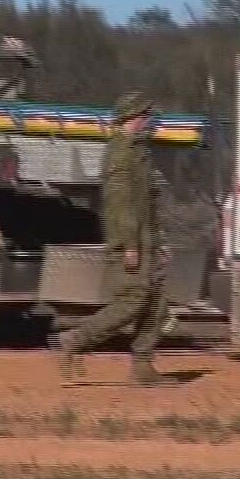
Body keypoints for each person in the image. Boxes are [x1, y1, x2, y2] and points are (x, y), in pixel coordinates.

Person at [56, 92, 168, 387]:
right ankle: (74, 340)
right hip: (131, 239)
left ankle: (143, 367)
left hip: (148, 238)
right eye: (146, 116)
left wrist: (158, 242)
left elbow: (148, 202)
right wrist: (130, 244)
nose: (150, 122)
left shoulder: (138, 151)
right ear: (134, 117)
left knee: (155, 302)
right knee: (132, 301)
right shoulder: (120, 153)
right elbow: (121, 204)